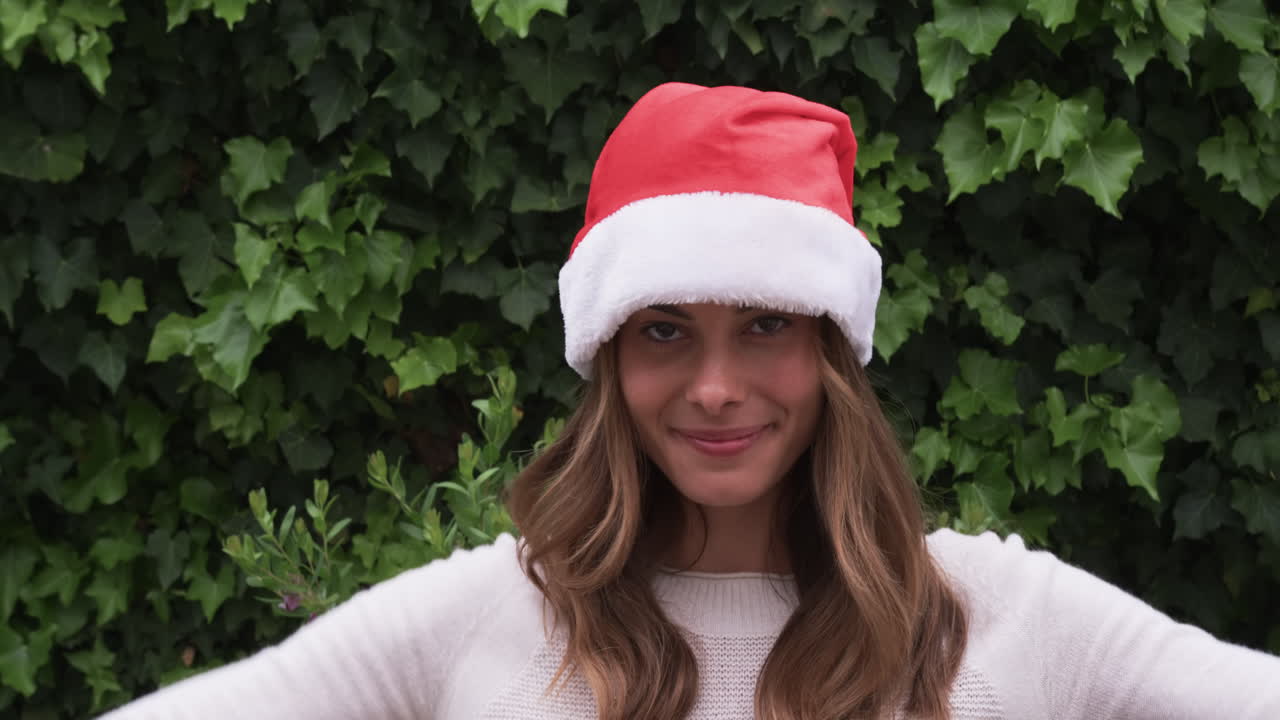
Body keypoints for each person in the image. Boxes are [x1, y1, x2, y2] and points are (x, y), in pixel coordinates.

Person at [102, 83, 1279, 720]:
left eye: (762, 325)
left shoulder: (1000, 616)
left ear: (830, 354)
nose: (714, 387)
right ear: (608, 359)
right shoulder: (488, 618)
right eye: (665, 332)